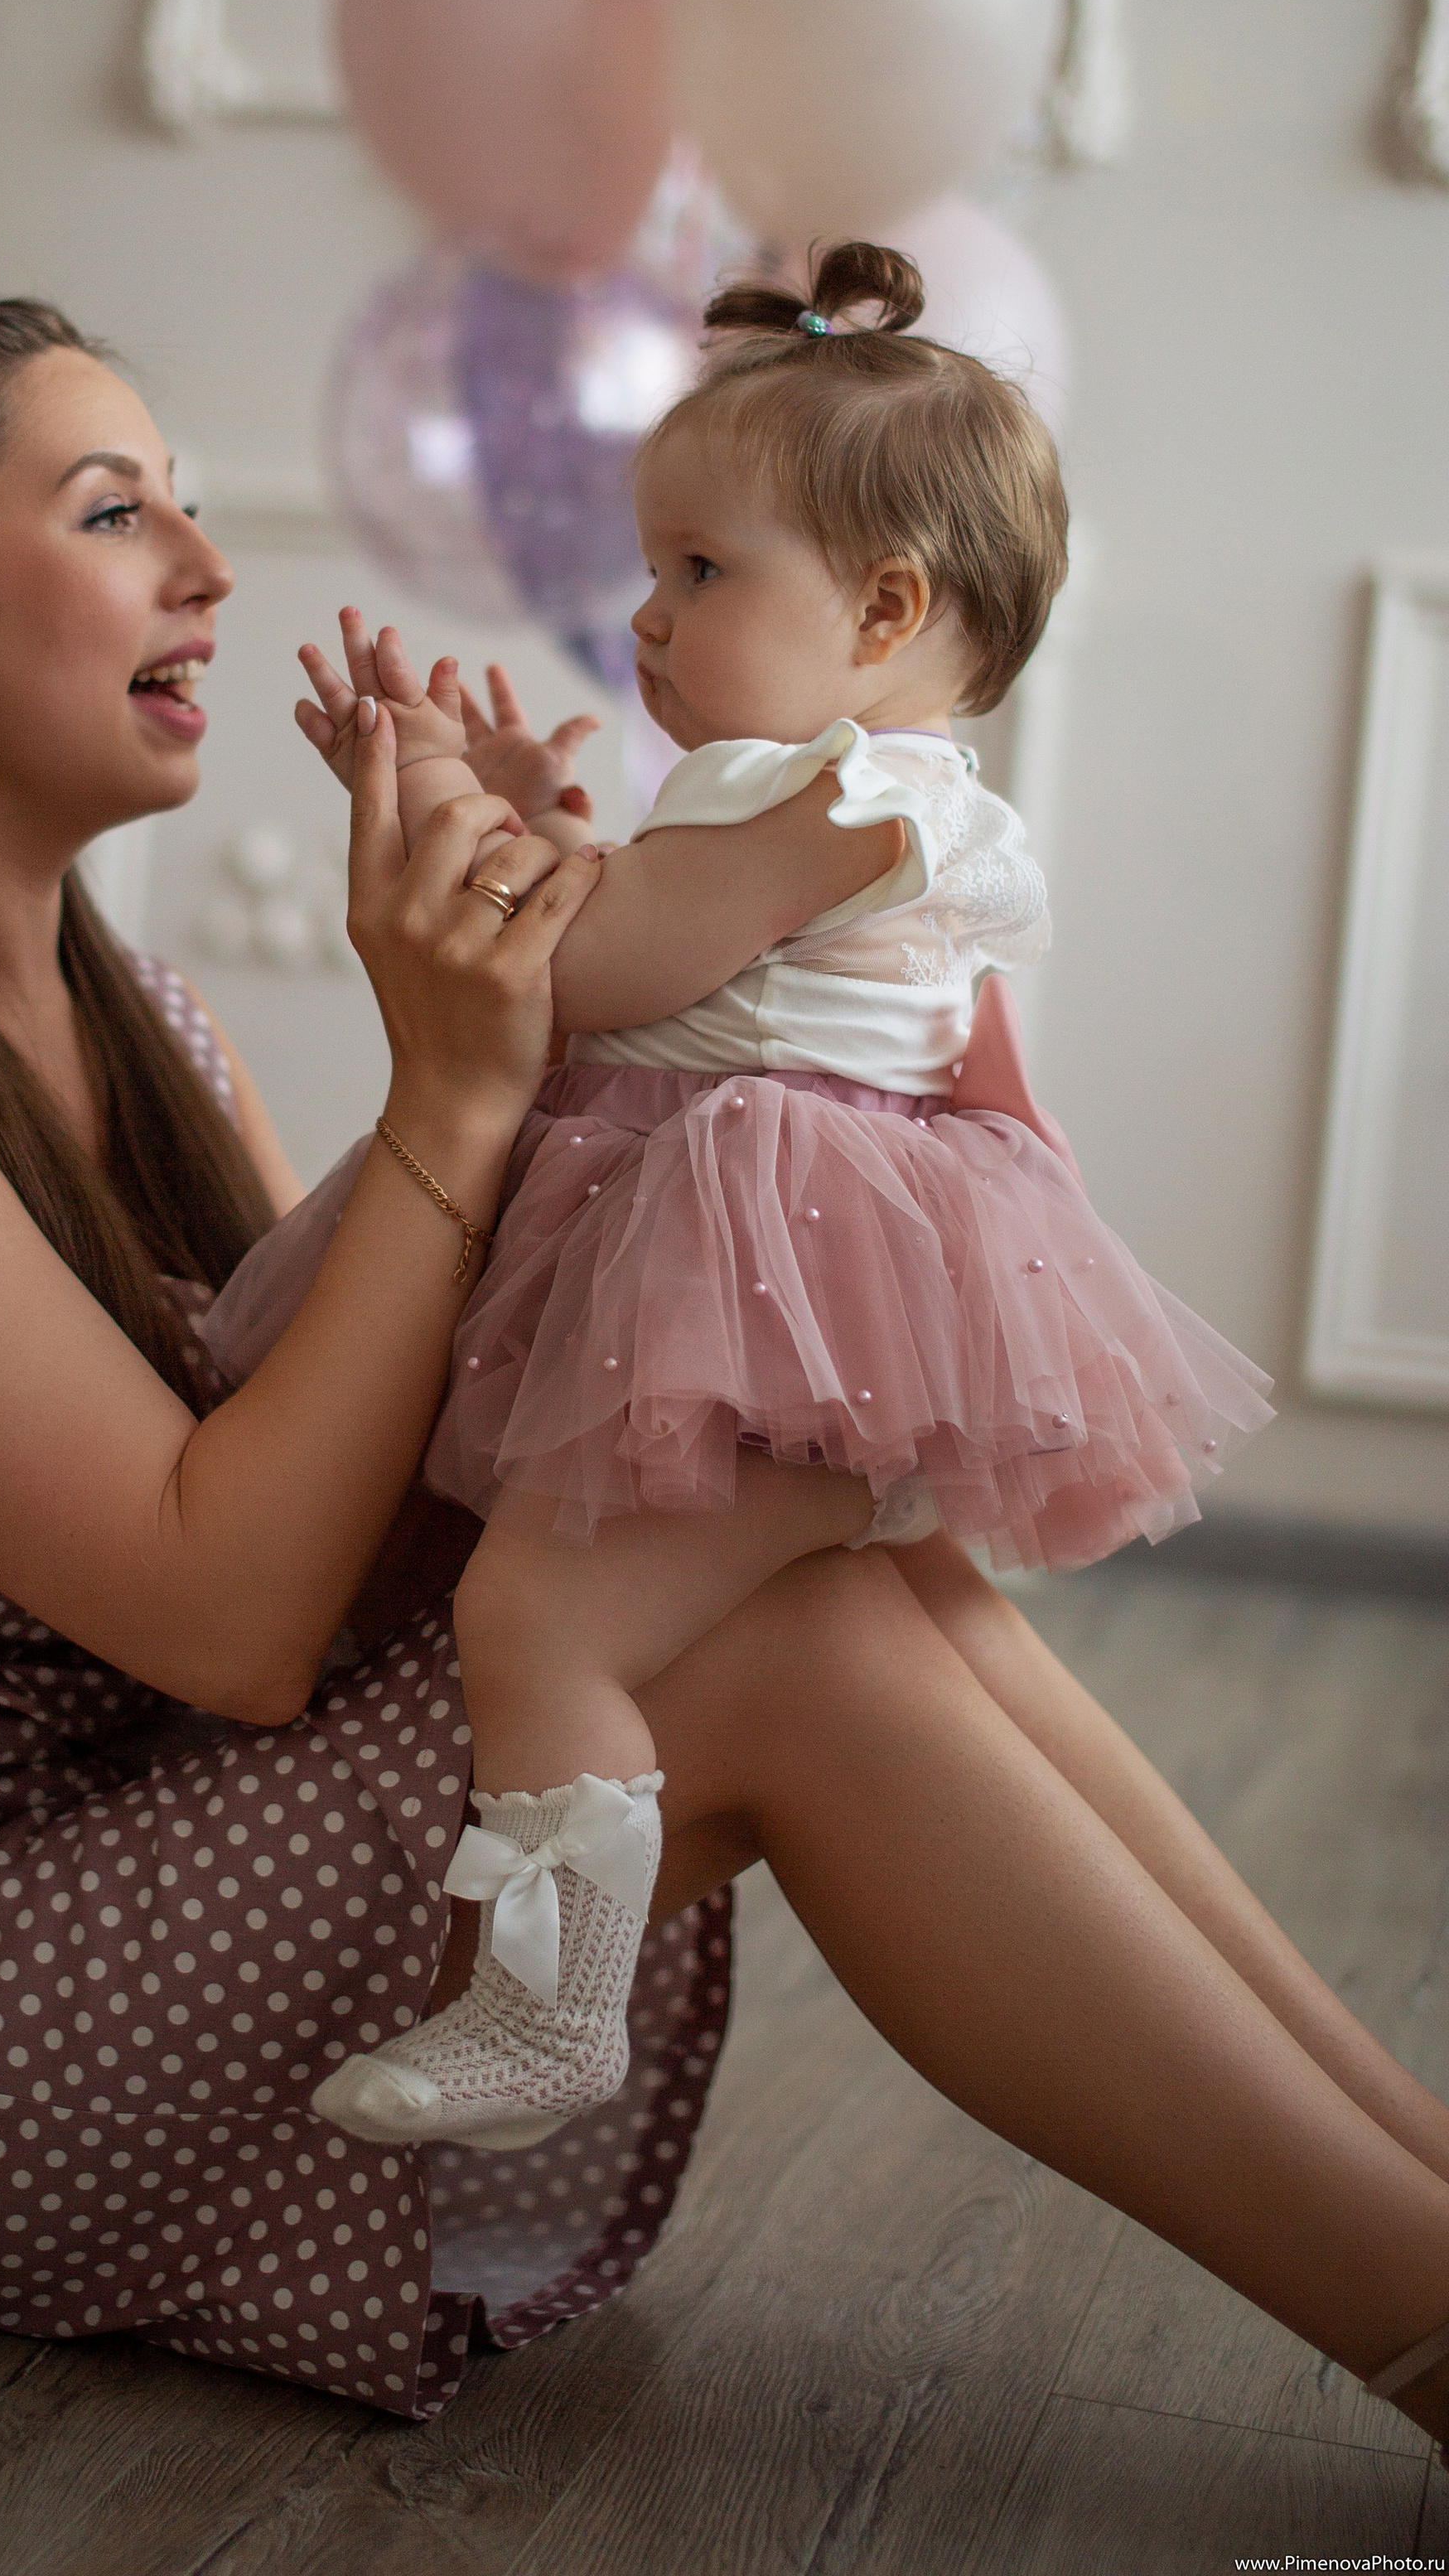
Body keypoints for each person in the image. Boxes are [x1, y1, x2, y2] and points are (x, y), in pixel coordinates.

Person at [0, 287, 1449, 2438]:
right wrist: (483, 1063)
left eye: (190, 506)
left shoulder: (149, 1031)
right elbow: (241, 1624)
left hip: (130, 1840)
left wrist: (558, 991)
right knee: (791, 1650)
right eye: (118, 515)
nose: (207, 563)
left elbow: (380, 1494)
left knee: (844, 1579)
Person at [218, 239, 1275, 2162]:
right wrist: (548, 837)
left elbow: (599, 976)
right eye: (650, 569)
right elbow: (654, 950)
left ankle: (544, 2011)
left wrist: (457, 816)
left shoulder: (841, 800)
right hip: (784, 1311)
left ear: (882, 607)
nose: (642, 616)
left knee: (536, 1621)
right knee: (590, 1607)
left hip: (785, 1324)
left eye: (699, 573)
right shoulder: (813, 791)